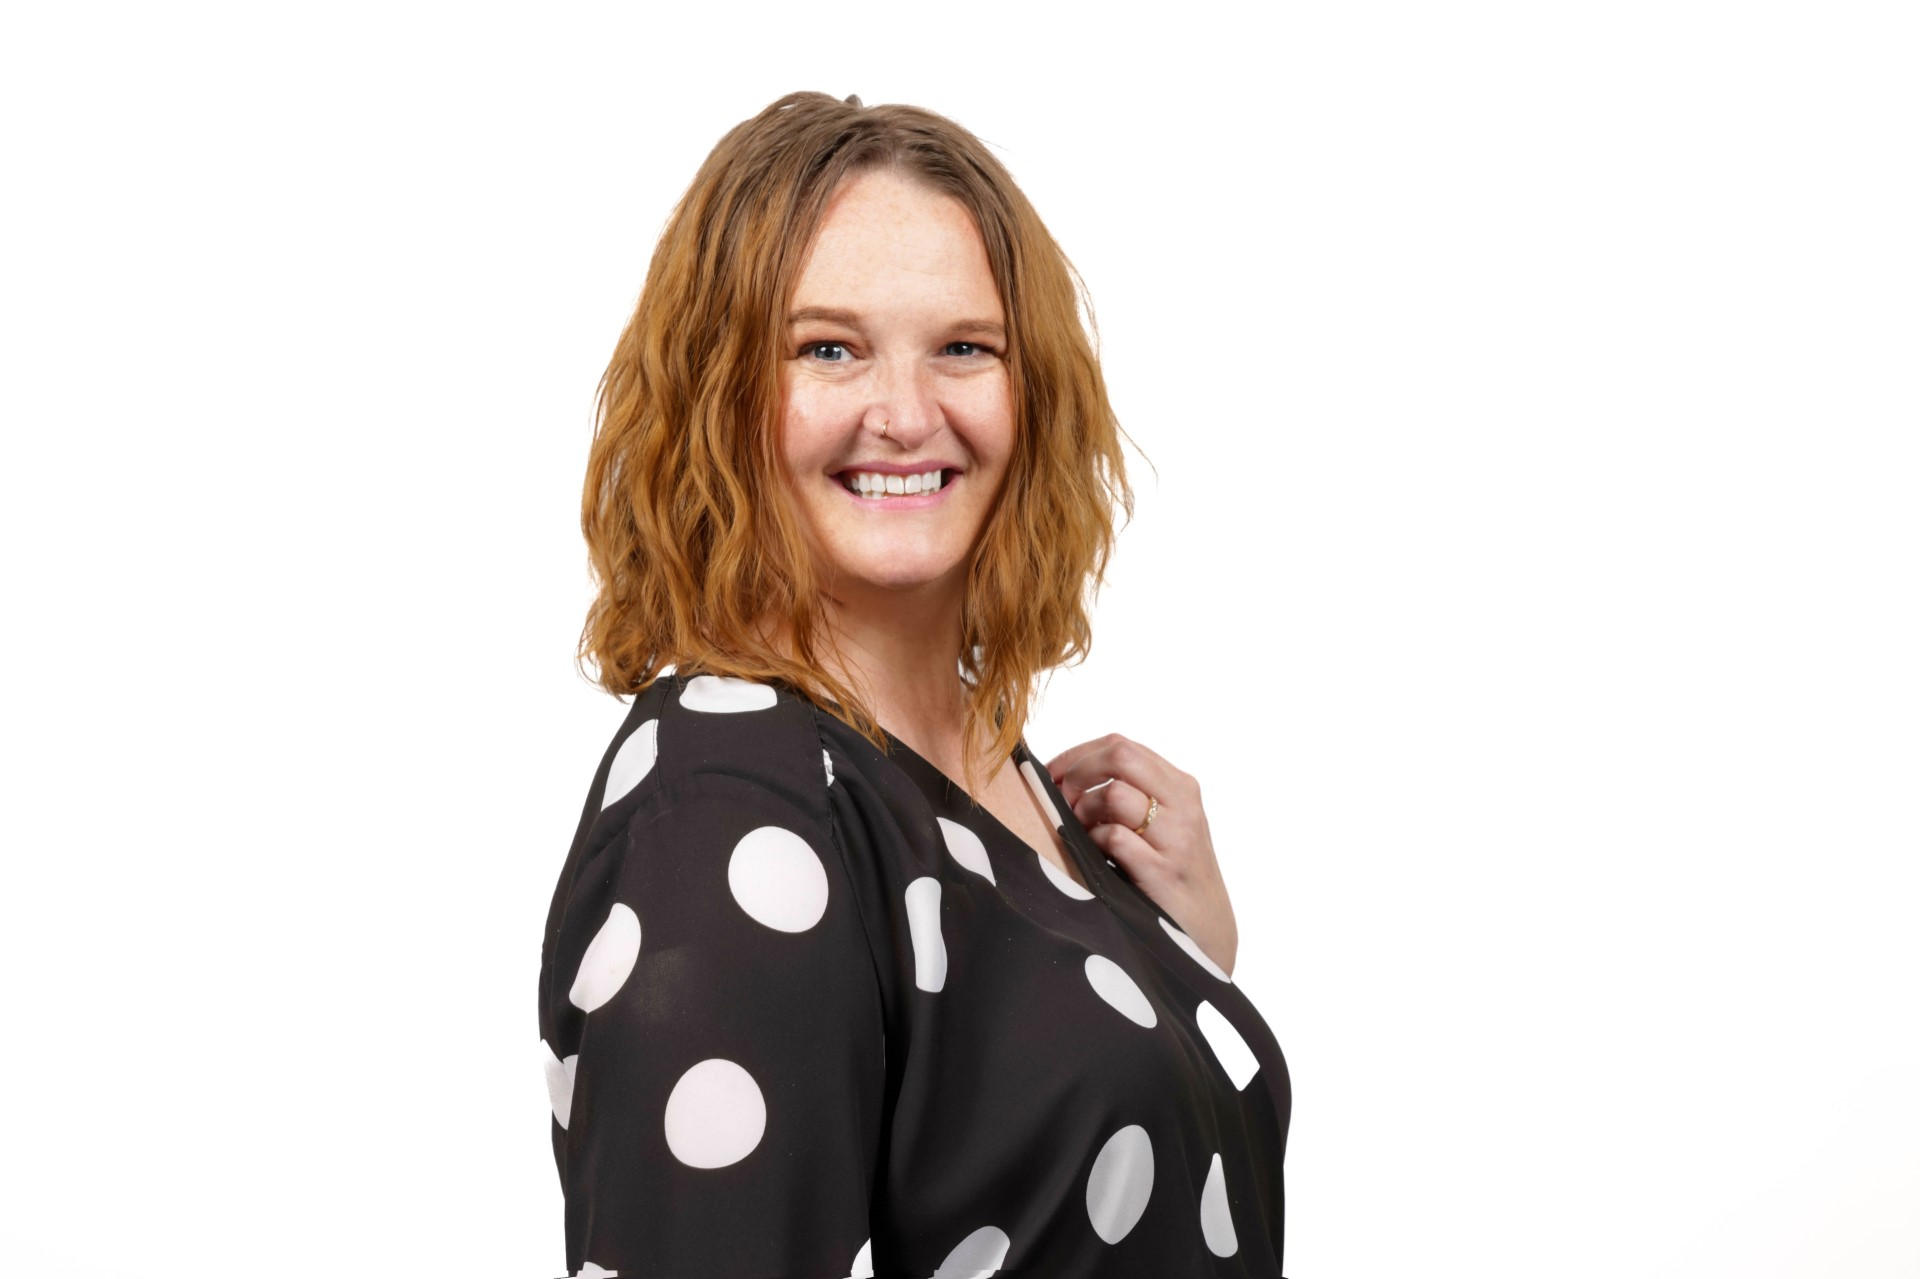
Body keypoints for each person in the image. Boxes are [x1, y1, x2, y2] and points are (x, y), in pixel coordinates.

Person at [537, 91, 1291, 1278]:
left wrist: (1175, 959)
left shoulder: (984, 773)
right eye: (827, 348)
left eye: (964, 347)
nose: (904, 415)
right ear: (719, 391)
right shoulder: (735, 799)